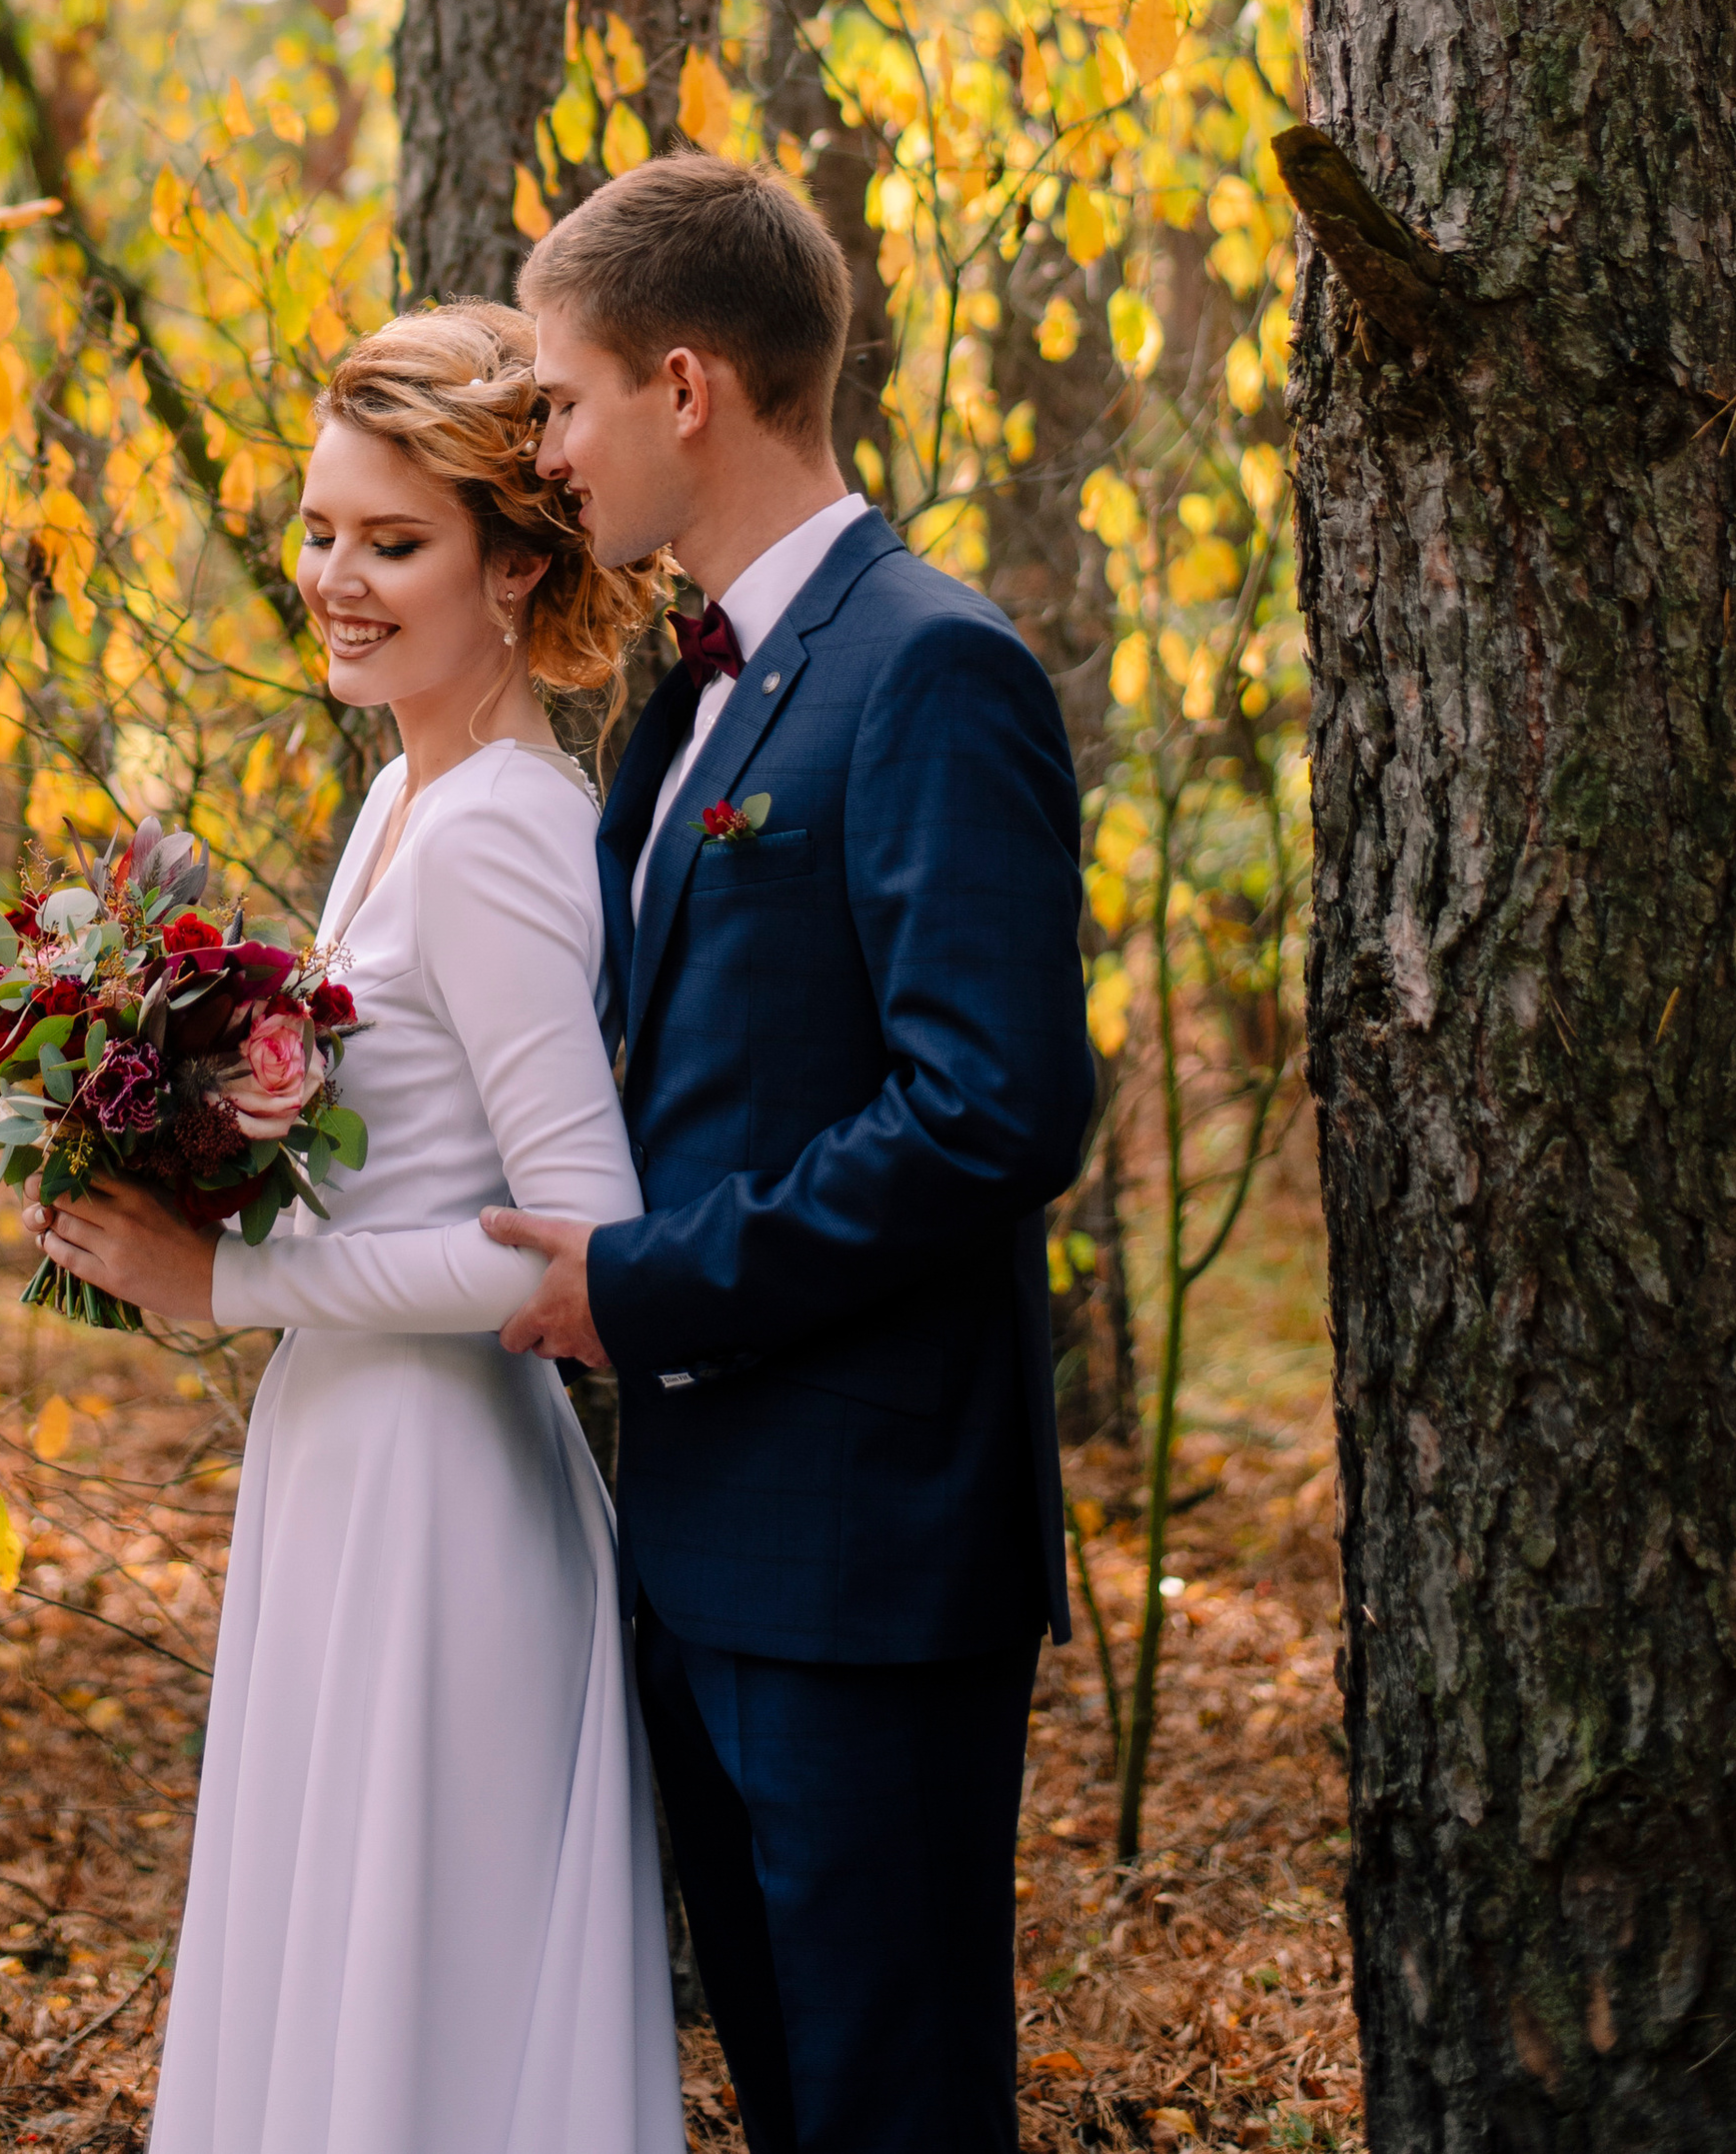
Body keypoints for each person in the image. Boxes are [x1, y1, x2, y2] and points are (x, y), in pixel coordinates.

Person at [483, 151, 1095, 2154]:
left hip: (867, 1556)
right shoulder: (680, 713)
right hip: (697, 1546)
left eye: (558, 402)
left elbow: (990, 1107)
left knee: (890, 2107)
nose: (543, 454)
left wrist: (644, 1288)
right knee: (784, 2093)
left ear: (682, 389)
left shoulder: (925, 666)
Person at [34, 306, 686, 2154]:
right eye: (320, 528)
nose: (334, 576)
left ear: (518, 561)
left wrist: (230, 1276)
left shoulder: (494, 829)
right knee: (327, 1991)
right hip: (346, 1461)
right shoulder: (398, 791)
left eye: (392, 541)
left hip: (445, 1507)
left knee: (425, 2017)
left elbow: (575, 1240)